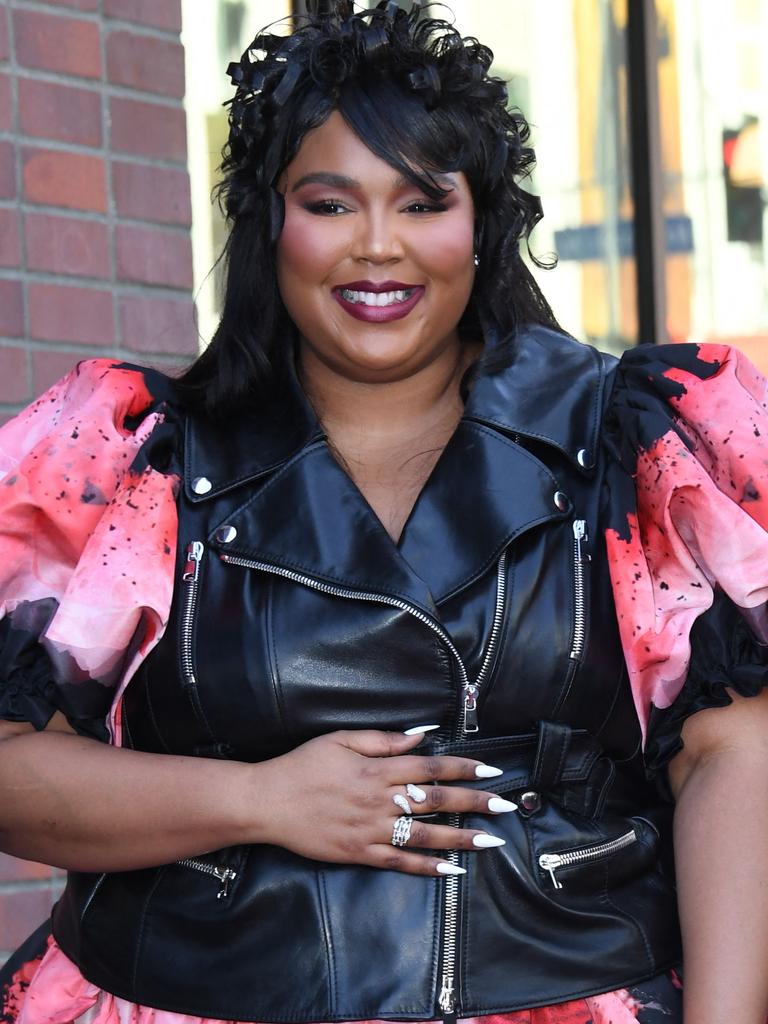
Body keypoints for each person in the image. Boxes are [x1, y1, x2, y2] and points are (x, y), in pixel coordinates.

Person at [1, 2, 768, 1023]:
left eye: (421, 202)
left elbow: (735, 753)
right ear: (268, 221)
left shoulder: (633, 444)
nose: (376, 248)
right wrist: (260, 800)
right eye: (329, 202)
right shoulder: (133, 458)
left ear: (482, 220)